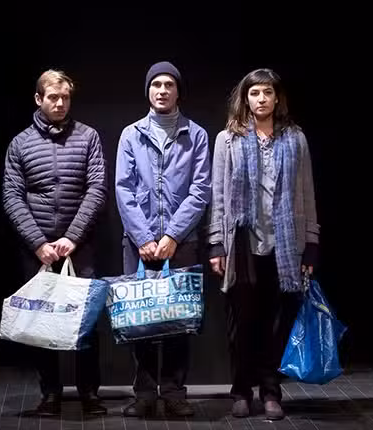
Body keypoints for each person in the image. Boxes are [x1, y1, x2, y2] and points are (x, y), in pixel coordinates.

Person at [207, 68, 319, 420]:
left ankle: (271, 391)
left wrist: (311, 243)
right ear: (245, 98)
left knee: (275, 324)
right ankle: (241, 390)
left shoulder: (295, 139)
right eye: (254, 93)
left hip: (284, 243)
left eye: (267, 92)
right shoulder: (228, 139)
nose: (261, 99)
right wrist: (216, 244)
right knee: (242, 323)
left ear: (277, 97)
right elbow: (218, 195)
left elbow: (307, 193)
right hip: (242, 242)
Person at [2, 69, 108, 416]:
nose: (60, 103)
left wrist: (72, 237)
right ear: (39, 99)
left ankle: (89, 393)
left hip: (80, 246)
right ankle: (50, 394)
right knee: (41, 321)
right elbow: (12, 197)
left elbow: (97, 189)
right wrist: (38, 242)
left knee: (85, 320)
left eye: (65, 97)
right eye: (53, 97)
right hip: (37, 249)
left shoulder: (88, 137)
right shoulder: (20, 143)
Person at [113, 61, 211, 418]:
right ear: (148, 91)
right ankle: (143, 394)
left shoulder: (196, 135)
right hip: (138, 243)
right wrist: (142, 236)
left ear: (178, 92)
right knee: (139, 320)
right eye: (156, 84)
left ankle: (173, 393)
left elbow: (200, 190)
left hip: (181, 242)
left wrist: (172, 235)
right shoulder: (131, 134)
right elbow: (123, 189)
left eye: (169, 84)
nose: (162, 90)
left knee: (178, 321)